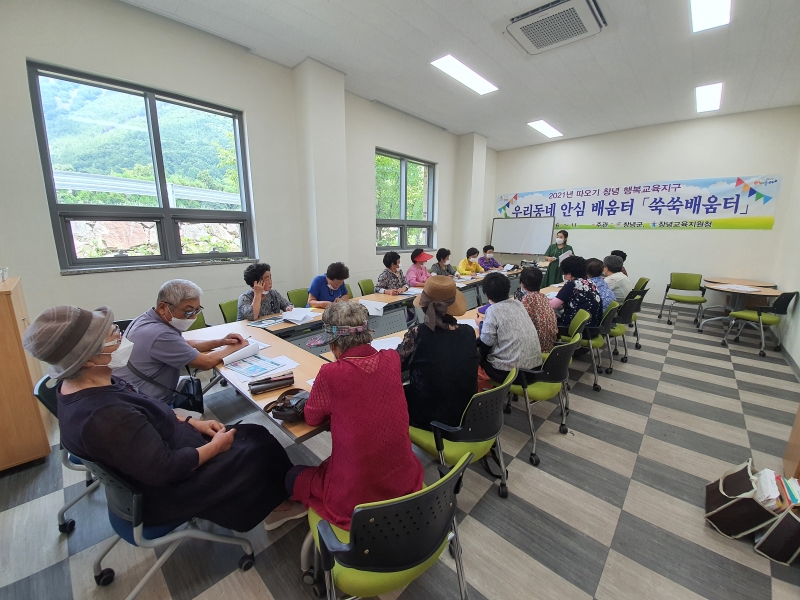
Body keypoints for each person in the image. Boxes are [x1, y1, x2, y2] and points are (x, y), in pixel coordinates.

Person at [22, 305, 301, 532]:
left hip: (170, 447)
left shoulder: (91, 382)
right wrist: (217, 447)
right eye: (113, 337)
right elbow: (166, 469)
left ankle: (273, 496)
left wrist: (193, 422)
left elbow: (149, 409)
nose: (122, 338)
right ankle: (278, 506)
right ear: (87, 360)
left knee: (254, 434)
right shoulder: (105, 417)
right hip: (169, 489)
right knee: (258, 449)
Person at [291, 302, 424, 530]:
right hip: (402, 477)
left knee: (293, 476)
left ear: (333, 344)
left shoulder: (331, 373)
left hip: (357, 492)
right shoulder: (392, 359)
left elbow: (312, 418)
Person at [114, 280, 248, 405]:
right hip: (146, 403)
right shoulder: (160, 334)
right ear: (163, 307)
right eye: (188, 312)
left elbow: (184, 343)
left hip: (131, 392)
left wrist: (221, 341)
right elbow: (206, 363)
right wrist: (235, 347)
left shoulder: (147, 318)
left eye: (197, 310)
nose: (193, 317)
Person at [398, 277, 479, 429]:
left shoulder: (417, 333)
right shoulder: (469, 332)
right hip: (466, 414)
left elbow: (397, 364)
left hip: (430, 419)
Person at [477, 272, 542, 383]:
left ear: (486, 295)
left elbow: (486, 343)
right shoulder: (518, 304)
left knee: (475, 358)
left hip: (513, 374)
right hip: (535, 370)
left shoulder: (492, 311)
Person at [549, 256, 603, 328]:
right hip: (592, 324)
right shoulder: (589, 282)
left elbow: (553, 305)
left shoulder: (572, 284)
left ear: (569, 274)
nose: (564, 276)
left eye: (564, 273)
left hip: (577, 327)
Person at [518, 267, 558, 353]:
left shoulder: (528, 300)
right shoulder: (543, 297)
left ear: (522, 284)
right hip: (550, 344)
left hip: (536, 348)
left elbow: (519, 326)